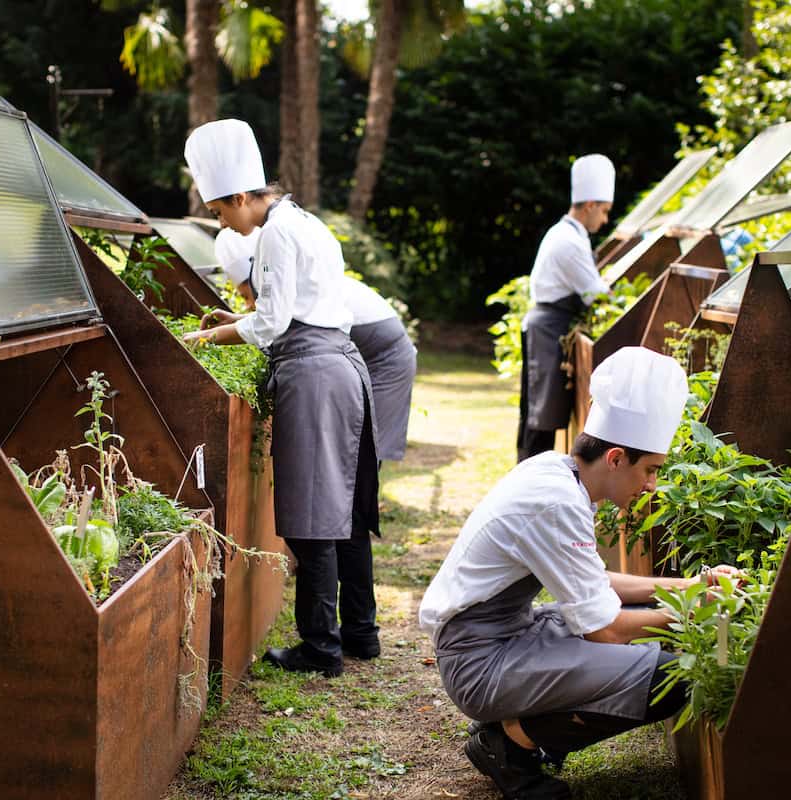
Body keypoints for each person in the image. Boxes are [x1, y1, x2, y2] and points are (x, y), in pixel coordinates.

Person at [419, 346, 741, 799]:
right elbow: (606, 630)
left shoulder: (558, 473)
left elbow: (596, 583)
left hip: (500, 639)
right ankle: (510, 747)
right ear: (615, 459)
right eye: (649, 471)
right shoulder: (556, 502)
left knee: (642, 622)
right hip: (481, 663)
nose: (652, 485)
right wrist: (694, 611)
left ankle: (512, 734)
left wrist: (690, 586)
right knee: (672, 678)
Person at [182, 119, 380, 678]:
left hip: (313, 374)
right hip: (342, 363)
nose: (225, 223)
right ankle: (361, 634)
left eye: (222, 212)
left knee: (312, 516)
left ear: (243, 197)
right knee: (347, 509)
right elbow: (289, 308)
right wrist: (237, 318)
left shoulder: (273, 233)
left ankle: (321, 649)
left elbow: (273, 322)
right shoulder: (304, 222)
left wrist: (205, 337)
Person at [215, 226, 418, 462]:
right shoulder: (288, 285)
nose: (248, 304)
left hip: (385, 358)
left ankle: (365, 500)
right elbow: (277, 322)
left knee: (363, 453)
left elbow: (277, 325)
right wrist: (240, 321)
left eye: (246, 296)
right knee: (346, 451)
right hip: (356, 356)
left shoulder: (292, 286)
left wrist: (213, 336)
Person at [518, 153, 615, 462]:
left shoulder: (569, 234)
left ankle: (530, 477)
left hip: (547, 326)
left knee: (539, 411)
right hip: (549, 328)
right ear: (589, 206)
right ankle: (530, 478)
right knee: (541, 416)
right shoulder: (569, 243)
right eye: (604, 211)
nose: (605, 220)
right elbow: (596, 294)